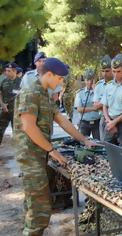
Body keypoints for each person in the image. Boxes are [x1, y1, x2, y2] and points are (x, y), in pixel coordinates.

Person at [13, 58, 96, 236]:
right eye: (59, 78)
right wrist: (52, 150)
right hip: (30, 155)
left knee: (34, 204)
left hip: (39, 153)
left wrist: (83, 140)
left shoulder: (44, 93)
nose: (61, 82)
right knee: (40, 209)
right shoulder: (31, 92)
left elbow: (61, 120)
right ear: (49, 74)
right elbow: (28, 126)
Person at [74, 69, 100, 139]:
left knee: (99, 144)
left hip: (97, 123)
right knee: (83, 144)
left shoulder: (99, 92)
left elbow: (101, 105)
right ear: (85, 80)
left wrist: (95, 90)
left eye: (91, 80)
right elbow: (79, 109)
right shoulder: (80, 93)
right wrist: (93, 108)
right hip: (84, 123)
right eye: (87, 80)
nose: (89, 82)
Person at [0, 63, 21, 145]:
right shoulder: (4, 81)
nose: (6, 72)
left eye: (9, 71)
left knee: (17, 133)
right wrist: (2, 104)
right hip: (5, 110)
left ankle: (19, 154)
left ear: (15, 71)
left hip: (16, 112)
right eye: (6, 71)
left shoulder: (21, 82)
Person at [93, 55, 113, 141]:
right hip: (104, 120)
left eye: (107, 71)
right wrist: (110, 101)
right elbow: (96, 106)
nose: (105, 73)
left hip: (119, 119)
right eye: (103, 71)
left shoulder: (120, 84)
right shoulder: (99, 85)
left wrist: (102, 103)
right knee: (105, 148)